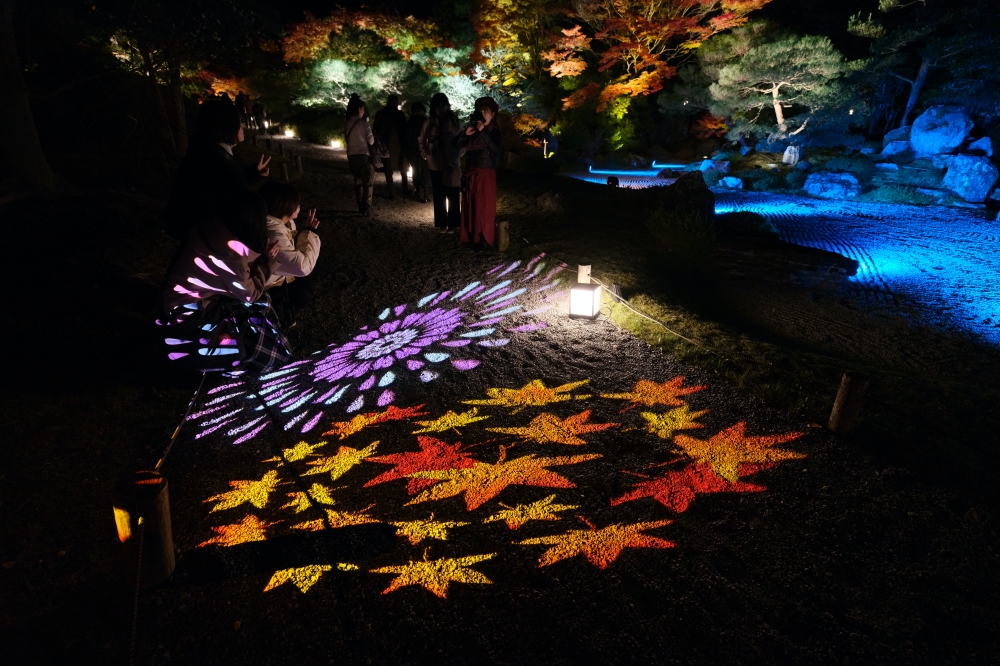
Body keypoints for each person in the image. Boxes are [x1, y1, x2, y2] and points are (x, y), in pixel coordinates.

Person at [159, 190, 292, 373]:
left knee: (262, 303)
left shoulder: (215, 229)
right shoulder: (232, 256)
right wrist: (268, 262)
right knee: (255, 310)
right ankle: (261, 357)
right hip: (189, 312)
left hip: (178, 296)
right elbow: (249, 294)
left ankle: (270, 346)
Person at [163, 98, 271, 242]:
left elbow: (234, 180)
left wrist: (254, 172)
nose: (243, 125)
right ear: (226, 125)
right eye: (239, 121)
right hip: (208, 240)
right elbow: (226, 195)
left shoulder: (218, 150)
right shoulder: (207, 161)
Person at [259, 181, 321, 328]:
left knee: (308, 285)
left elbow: (294, 256)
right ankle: (279, 319)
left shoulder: (284, 223)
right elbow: (303, 267)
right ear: (285, 206)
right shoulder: (274, 232)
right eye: (297, 204)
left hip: (277, 275)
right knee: (302, 294)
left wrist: (307, 231)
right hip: (267, 283)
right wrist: (310, 234)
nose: (299, 207)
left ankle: (285, 313)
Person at [455, 97, 502, 248]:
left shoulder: (494, 132)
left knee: (484, 207)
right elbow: (455, 145)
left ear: (492, 114)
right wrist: (465, 134)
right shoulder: (473, 131)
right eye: (480, 111)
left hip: (486, 175)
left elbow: (496, 150)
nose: (482, 114)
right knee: (471, 205)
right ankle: (472, 236)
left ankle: (484, 238)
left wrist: (483, 132)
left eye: (486, 112)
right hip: (471, 174)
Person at [419, 92, 462, 233]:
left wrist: (457, 155)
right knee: (439, 195)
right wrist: (426, 154)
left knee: (453, 194)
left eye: (442, 106)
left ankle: (454, 223)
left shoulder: (454, 122)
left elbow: (463, 141)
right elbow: (421, 138)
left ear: (446, 106)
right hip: (435, 164)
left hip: (451, 164)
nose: (440, 110)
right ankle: (442, 223)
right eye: (437, 107)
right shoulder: (429, 122)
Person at [372, 94, 409, 199]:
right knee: (403, 165)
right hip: (399, 144)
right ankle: (405, 188)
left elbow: (375, 129)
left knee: (388, 168)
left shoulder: (381, 113)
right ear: (396, 102)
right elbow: (405, 129)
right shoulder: (400, 114)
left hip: (384, 144)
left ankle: (392, 191)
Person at [345, 94, 375, 217]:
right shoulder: (364, 124)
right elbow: (371, 141)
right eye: (362, 109)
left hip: (351, 155)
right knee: (367, 181)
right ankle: (366, 206)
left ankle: (359, 204)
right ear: (359, 109)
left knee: (357, 180)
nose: (363, 111)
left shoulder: (347, 124)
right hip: (363, 155)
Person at [405, 102, 431, 203]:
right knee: (426, 171)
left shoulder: (410, 121)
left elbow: (406, 137)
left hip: (412, 150)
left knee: (416, 170)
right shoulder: (426, 120)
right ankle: (426, 194)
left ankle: (419, 192)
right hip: (425, 150)